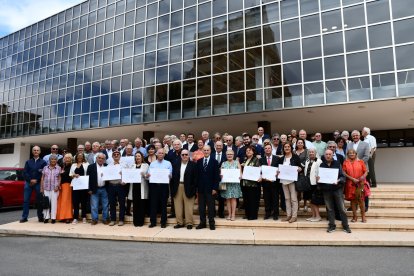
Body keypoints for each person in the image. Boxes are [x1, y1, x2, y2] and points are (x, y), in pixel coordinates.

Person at [317, 149, 351, 233]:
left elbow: (343, 176)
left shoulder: (337, 163)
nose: (328, 156)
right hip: (326, 190)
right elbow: (320, 178)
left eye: (330, 154)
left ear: (332, 155)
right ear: (324, 155)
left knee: (342, 209)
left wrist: (338, 180)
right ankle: (332, 226)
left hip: (337, 189)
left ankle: (346, 226)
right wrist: (318, 179)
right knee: (330, 209)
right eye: (326, 154)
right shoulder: (322, 165)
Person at [20, 146, 47, 223]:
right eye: (34, 150)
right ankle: (24, 217)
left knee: (39, 200)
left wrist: (37, 180)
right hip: (28, 183)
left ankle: (40, 217)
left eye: (37, 150)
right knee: (26, 201)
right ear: (32, 152)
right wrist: (30, 180)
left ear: (40, 152)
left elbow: (44, 173)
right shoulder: (28, 162)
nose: (36, 151)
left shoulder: (43, 162)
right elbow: (25, 172)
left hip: (39, 183)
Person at [171, 149, 197, 229]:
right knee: (178, 206)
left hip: (189, 188)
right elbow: (172, 178)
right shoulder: (175, 164)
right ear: (180, 156)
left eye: (186, 154)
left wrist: (194, 189)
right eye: (183, 155)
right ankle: (180, 222)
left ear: (189, 155)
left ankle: (189, 223)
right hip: (177, 187)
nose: (184, 156)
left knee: (189, 206)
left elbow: (196, 178)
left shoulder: (193, 165)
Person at [196, 145, 220, 230]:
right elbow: (197, 176)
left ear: (210, 151)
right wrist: (197, 188)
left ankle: (211, 223)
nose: (206, 152)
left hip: (211, 189)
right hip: (201, 189)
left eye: (207, 150)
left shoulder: (214, 162)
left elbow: (217, 177)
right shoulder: (199, 161)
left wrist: (215, 188)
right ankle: (202, 223)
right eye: (204, 150)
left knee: (211, 207)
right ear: (202, 151)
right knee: (201, 207)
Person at [147, 149, 172, 228]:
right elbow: (148, 176)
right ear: (156, 154)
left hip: (164, 186)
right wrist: (148, 176)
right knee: (153, 204)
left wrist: (170, 176)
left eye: (162, 153)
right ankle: (153, 222)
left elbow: (171, 175)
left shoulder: (168, 163)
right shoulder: (152, 164)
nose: (160, 154)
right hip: (154, 186)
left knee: (163, 205)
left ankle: (163, 222)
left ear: (164, 154)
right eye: (159, 153)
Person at [278, 143, 302, 223]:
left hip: (292, 181)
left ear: (291, 148)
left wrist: (299, 169)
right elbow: (279, 168)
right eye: (285, 147)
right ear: (283, 148)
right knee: (287, 198)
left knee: (294, 199)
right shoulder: (282, 158)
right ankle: (288, 215)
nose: (287, 148)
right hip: (283, 181)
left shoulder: (295, 157)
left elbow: (301, 167)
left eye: (288, 147)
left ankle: (294, 216)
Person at [342, 149, 368, 223]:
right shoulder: (345, 162)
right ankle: (354, 216)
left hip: (360, 184)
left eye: (353, 153)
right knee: (353, 201)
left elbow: (366, 171)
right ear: (347, 155)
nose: (351, 154)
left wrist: (363, 177)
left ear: (356, 154)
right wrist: (352, 179)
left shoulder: (361, 162)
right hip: (350, 184)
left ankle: (363, 216)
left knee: (361, 200)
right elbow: (344, 173)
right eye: (350, 153)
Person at [347, 130, 370, 211]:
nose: (355, 137)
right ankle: (354, 206)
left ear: (360, 136)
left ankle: (365, 206)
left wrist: (357, 163)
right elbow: (347, 156)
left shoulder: (365, 144)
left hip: (362, 170)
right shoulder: (349, 145)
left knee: (363, 189)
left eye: (357, 135)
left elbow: (367, 157)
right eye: (353, 135)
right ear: (352, 136)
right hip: (351, 171)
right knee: (353, 189)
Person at [220, 149, 242, 221]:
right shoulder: (223, 163)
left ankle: (233, 215)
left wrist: (240, 176)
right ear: (226, 155)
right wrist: (221, 175)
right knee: (227, 199)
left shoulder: (237, 163)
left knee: (233, 199)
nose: (229, 155)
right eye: (228, 154)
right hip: (226, 184)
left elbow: (240, 173)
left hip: (234, 184)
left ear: (233, 155)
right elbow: (221, 173)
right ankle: (229, 214)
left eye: (231, 154)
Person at [259, 144, 280, 220]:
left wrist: (278, 172)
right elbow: (260, 171)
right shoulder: (261, 160)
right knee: (267, 199)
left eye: (269, 148)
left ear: (271, 149)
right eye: (266, 148)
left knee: (275, 199)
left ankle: (275, 214)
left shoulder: (277, 158)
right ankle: (267, 213)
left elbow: (279, 169)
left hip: (275, 182)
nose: (267, 149)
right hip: (265, 182)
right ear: (264, 150)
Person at [87, 153, 109, 225]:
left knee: (105, 205)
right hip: (94, 189)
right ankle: (94, 219)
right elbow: (88, 179)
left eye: (102, 158)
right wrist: (89, 189)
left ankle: (105, 219)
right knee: (94, 206)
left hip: (104, 188)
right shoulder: (91, 167)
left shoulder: (107, 166)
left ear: (104, 160)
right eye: (99, 158)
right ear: (96, 158)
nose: (101, 159)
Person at [241, 146, 261, 220]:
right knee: (246, 200)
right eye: (247, 151)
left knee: (253, 200)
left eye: (250, 150)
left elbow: (258, 170)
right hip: (245, 183)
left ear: (253, 152)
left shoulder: (256, 160)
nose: (248, 151)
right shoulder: (245, 160)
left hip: (253, 184)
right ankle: (247, 214)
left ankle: (253, 216)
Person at [40, 154, 61, 224]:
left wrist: (58, 186)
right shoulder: (45, 168)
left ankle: (53, 218)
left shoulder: (58, 168)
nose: (53, 160)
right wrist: (42, 188)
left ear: (56, 160)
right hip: (46, 188)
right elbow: (42, 178)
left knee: (54, 203)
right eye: (52, 159)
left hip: (54, 188)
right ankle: (46, 217)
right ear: (49, 160)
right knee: (46, 203)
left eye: (55, 159)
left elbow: (59, 178)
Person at [107, 150, 126, 226]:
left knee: (122, 203)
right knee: (112, 204)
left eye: (118, 154)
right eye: (114, 154)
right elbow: (106, 176)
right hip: (111, 186)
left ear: (120, 156)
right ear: (112, 156)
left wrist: (123, 175)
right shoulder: (109, 166)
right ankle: (113, 220)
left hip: (120, 186)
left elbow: (128, 175)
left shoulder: (124, 165)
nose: (116, 155)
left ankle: (121, 220)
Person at [130, 151, 149, 227]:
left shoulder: (146, 165)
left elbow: (148, 177)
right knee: (135, 205)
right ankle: (135, 222)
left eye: (139, 156)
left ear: (142, 157)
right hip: (134, 187)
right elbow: (129, 175)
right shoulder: (132, 165)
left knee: (141, 205)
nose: (137, 157)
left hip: (142, 187)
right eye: (136, 156)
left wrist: (144, 175)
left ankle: (140, 222)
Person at [69, 152, 89, 224]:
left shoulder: (87, 164)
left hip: (84, 186)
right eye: (78, 156)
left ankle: (84, 217)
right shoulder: (73, 165)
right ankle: (75, 218)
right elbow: (70, 174)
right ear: (76, 157)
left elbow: (88, 174)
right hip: (76, 186)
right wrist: (74, 175)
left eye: (81, 156)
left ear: (83, 157)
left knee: (84, 202)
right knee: (75, 202)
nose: (80, 157)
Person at [304, 148, 323, 222]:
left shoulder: (319, 161)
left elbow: (320, 172)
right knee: (310, 200)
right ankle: (313, 215)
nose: (311, 153)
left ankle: (318, 216)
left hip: (315, 184)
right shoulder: (307, 161)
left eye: (312, 152)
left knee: (314, 200)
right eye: (310, 152)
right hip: (307, 183)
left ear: (315, 153)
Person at [56, 153, 73, 223]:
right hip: (61, 185)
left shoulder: (72, 166)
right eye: (66, 158)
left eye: (69, 158)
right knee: (61, 201)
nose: (67, 159)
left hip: (68, 185)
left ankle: (68, 217)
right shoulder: (62, 166)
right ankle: (61, 217)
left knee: (67, 202)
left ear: (71, 159)